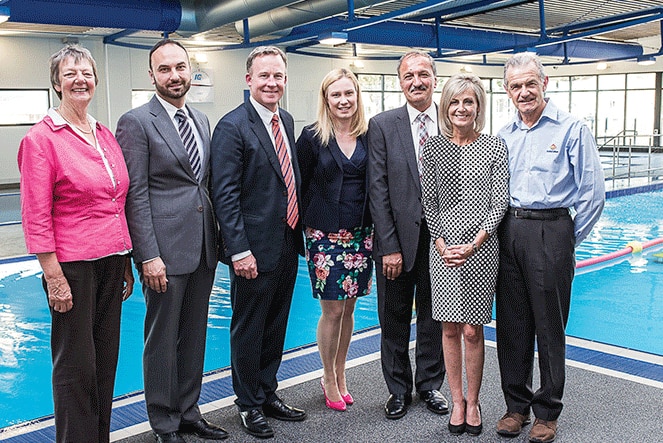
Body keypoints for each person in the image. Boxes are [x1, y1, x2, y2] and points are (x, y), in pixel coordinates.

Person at [18, 44, 134, 443]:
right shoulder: (41, 139)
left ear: (95, 81)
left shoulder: (103, 133)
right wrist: (54, 277)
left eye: (86, 72)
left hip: (110, 260)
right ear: (57, 84)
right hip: (72, 266)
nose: (80, 79)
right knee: (75, 368)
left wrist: (124, 262)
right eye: (70, 74)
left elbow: (117, 201)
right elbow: (36, 214)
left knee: (105, 363)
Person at [116, 39, 228, 443]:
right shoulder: (136, 122)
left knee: (194, 334)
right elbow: (137, 194)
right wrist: (147, 256)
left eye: (180, 67)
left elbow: (204, 186)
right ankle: (164, 423)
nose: (174, 76)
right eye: (164, 69)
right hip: (163, 251)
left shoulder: (200, 120)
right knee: (162, 341)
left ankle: (189, 411)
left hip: (202, 248)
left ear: (189, 69)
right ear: (152, 75)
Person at [495, 52, 605, 443]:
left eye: (530, 83)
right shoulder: (503, 135)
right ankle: (516, 407)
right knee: (511, 325)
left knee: (548, 327)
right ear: (507, 91)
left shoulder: (572, 128)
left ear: (545, 84)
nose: (523, 91)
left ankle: (547, 411)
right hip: (508, 230)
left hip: (551, 229)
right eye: (515, 86)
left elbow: (593, 195)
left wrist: (563, 241)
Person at [210, 46, 307, 439]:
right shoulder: (232, 127)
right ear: (248, 80)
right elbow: (225, 195)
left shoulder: (284, 118)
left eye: (278, 76)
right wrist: (239, 250)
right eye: (264, 76)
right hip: (252, 248)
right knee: (249, 329)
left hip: (286, 241)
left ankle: (267, 392)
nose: (272, 83)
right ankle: (248, 403)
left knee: (275, 326)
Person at [421, 73, 509, 436]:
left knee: (473, 330)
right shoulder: (433, 148)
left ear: (478, 107)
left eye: (468, 101)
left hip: (482, 249)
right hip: (442, 250)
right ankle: (455, 401)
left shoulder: (494, 147)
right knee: (449, 328)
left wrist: (474, 243)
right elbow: (430, 202)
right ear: (445, 106)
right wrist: (441, 243)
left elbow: (498, 202)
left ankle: (473, 401)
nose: (461, 108)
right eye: (454, 102)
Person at [368, 50, 448, 420]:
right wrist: (388, 247)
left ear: (434, 77)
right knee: (394, 319)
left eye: (423, 74)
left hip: (441, 243)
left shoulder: (452, 121)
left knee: (435, 319)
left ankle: (430, 385)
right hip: (396, 244)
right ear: (400, 83)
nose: (416, 81)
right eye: (408, 76)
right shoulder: (383, 125)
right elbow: (377, 189)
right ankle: (398, 389)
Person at [295, 68, 373, 412]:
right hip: (324, 235)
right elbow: (298, 187)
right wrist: (301, 235)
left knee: (350, 308)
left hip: (360, 234)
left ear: (357, 96)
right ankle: (327, 374)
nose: (343, 101)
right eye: (336, 95)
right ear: (326, 99)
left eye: (349, 94)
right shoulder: (311, 137)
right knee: (333, 309)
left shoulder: (370, 135)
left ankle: (342, 372)